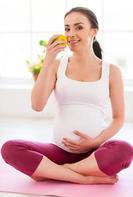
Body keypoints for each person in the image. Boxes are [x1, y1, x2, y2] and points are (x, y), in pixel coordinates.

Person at [1, 7, 133, 185]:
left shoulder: (112, 71)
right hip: (58, 150)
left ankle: (54, 171)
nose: (71, 33)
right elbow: (37, 105)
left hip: (94, 153)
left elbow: (119, 118)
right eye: (67, 28)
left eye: (78, 27)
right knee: (10, 148)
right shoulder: (56, 66)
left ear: (94, 31)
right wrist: (47, 63)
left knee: (124, 150)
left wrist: (95, 142)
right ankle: (85, 178)